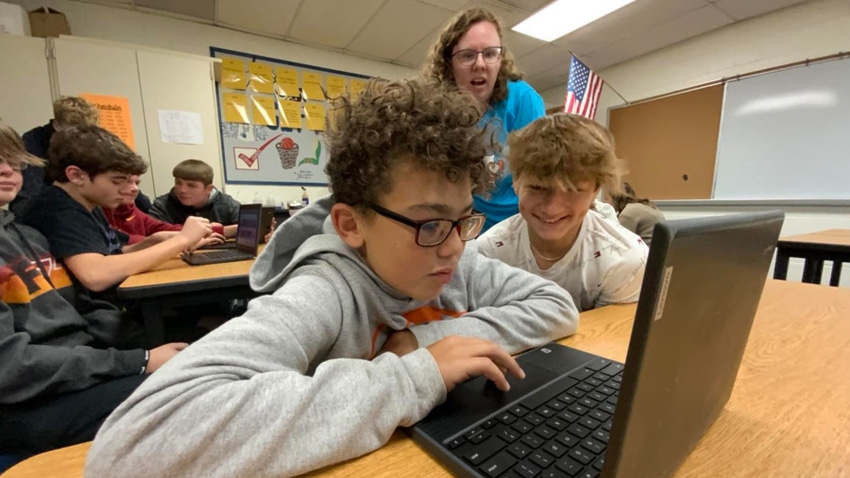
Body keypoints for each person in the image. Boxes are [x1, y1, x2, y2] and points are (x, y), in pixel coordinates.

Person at [85, 78, 578, 477]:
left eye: (463, 220)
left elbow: (555, 306)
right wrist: (415, 374)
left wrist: (426, 340)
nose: (452, 244)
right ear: (350, 224)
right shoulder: (324, 289)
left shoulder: (452, 253)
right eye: (428, 223)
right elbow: (133, 447)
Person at [0, 120, 187, 460]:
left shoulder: (26, 235)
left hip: (72, 374)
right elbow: (10, 368)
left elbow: (85, 310)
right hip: (24, 406)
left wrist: (145, 349)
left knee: (205, 366)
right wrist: (139, 360)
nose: (8, 171)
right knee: (191, 394)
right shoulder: (44, 218)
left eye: (13, 162)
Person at [477, 114, 649, 312]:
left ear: (596, 189)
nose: (552, 208)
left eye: (573, 190)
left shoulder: (625, 260)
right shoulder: (489, 253)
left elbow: (610, 337)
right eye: (537, 188)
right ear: (516, 182)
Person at [19, 125, 214, 298]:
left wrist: (156, 240)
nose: (128, 189)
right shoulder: (58, 210)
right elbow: (95, 275)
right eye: (116, 181)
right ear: (76, 175)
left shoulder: (87, 202)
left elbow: (112, 253)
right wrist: (182, 240)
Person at [423, 7, 545, 230]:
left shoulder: (523, 99)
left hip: (518, 222)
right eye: (468, 55)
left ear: (500, 60)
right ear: (449, 63)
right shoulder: (435, 107)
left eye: (490, 54)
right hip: (462, 222)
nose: (480, 64)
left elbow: (540, 176)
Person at [103, 174, 227, 246]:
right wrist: (183, 240)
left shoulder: (130, 209)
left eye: (137, 183)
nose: (135, 188)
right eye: (123, 182)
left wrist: (220, 230)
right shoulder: (94, 213)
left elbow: (162, 228)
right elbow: (126, 244)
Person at [149, 159, 240, 237]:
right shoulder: (162, 205)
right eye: (178, 183)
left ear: (208, 189)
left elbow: (249, 230)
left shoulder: (228, 204)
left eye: (191, 186)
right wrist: (218, 230)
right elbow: (153, 234)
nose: (182, 190)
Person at [608, 182, 666, 247]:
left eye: (608, 199)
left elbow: (620, 243)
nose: (608, 203)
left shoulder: (628, 212)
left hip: (647, 254)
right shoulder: (647, 206)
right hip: (659, 252)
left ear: (615, 199)